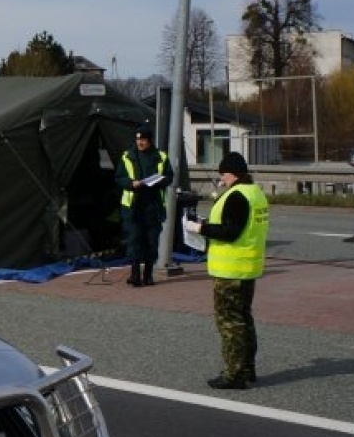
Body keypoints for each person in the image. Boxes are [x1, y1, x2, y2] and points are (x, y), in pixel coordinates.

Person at [183, 151, 269, 390]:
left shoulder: (237, 196)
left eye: (223, 174)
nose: (221, 179)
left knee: (229, 323)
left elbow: (230, 231)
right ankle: (247, 369)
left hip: (231, 270)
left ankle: (234, 374)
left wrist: (200, 229)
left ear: (230, 173)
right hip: (248, 267)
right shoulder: (255, 193)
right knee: (244, 320)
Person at [115, 126, 172, 287]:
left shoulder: (161, 156)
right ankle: (135, 275)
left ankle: (148, 275)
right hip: (133, 206)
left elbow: (169, 177)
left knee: (151, 241)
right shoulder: (127, 156)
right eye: (138, 140)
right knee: (134, 239)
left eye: (143, 140)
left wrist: (158, 181)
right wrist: (131, 183)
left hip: (153, 206)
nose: (140, 143)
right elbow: (119, 177)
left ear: (150, 141)